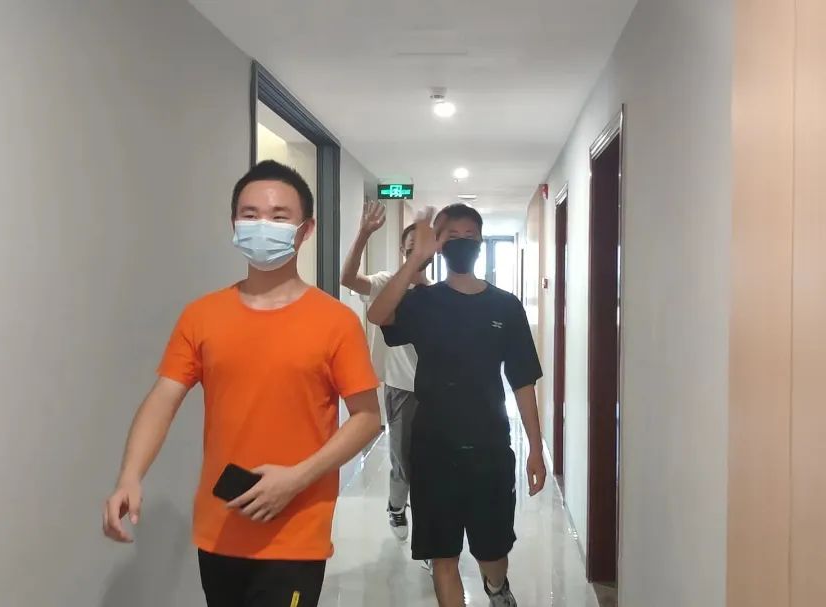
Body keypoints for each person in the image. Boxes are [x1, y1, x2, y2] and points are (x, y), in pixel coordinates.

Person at [102, 160, 381, 607]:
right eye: (250, 215)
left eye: (278, 216)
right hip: (220, 527)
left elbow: (367, 419)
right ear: (234, 224)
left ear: (306, 230)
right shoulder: (202, 315)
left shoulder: (335, 322)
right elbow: (163, 398)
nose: (262, 225)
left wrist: (295, 479)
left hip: (295, 532)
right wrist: (130, 476)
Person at [366, 203, 546, 607]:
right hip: (433, 446)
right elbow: (378, 313)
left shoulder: (505, 306)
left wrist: (535, 448)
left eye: (470, 236)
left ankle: (496, 586)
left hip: (489, 444)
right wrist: (415, 259)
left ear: (481, 242)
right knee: (442, 553)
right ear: (438, 244)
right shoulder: (423, 302)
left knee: (492, 550)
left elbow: (522, 381)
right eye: (452, 236)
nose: (462, 242)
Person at [339, 200, 430, 543]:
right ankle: (396, 505)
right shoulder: (386, 282)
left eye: (421, 247)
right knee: (403, 458)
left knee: (431, 462)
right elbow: (347, 278)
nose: (416, 253)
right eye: (410, 247)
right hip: (402, 387)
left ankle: (429, 534)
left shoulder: (439, 294)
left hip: (437, 390)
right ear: (403, 251)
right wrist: (364, 233)